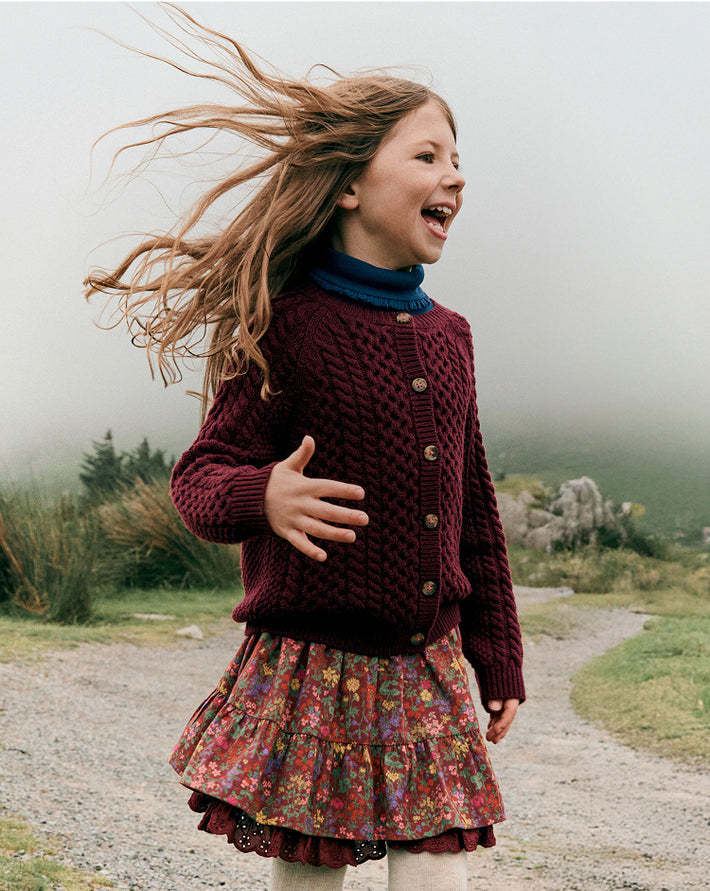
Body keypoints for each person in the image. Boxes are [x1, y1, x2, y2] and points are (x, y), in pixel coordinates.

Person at [85, 7, 525, 890]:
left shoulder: (453, 336)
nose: (456, 177)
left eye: (459, 159)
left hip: (427, 665)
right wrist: (266, 498)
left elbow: (474, 508)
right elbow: (200, 478)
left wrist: (498, 648)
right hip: (316, 665)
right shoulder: (286, 326)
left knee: (440, 870)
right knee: (310, 879)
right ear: (350, 183)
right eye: (429, 155)